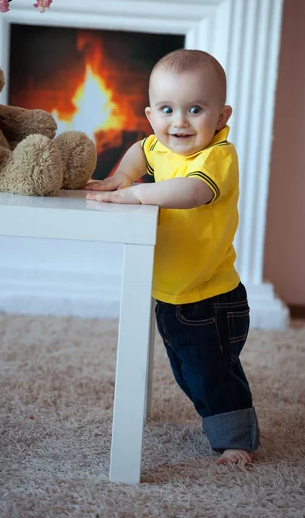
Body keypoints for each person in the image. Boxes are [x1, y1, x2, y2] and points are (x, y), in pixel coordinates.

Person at [85, 49, 260, 465]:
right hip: (172, 294)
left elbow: (190, 192)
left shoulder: (216, 157)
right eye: (167, 110)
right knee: (187, 370)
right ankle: (222, 418)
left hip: (211, 297)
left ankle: (236, 439)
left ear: (220, 116)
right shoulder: (158, 146)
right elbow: (140, 152)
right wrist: (120, 177)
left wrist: (136, 193)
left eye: (195, 109)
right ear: (150, 115)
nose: (178, 122)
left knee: (212, 373)